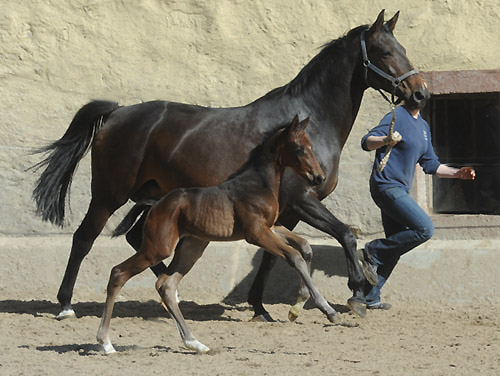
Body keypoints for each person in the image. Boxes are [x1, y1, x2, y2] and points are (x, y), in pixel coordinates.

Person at [360, 103, 475, 310]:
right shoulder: (397, 115)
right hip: (386, 185)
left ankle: (368, 297)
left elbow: (431, 165)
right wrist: (386, 140)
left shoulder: (423, 127)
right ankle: (372, 250)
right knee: (424, 229)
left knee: (395, 247)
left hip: (399, 190)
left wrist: (457, 173)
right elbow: (367, 142)